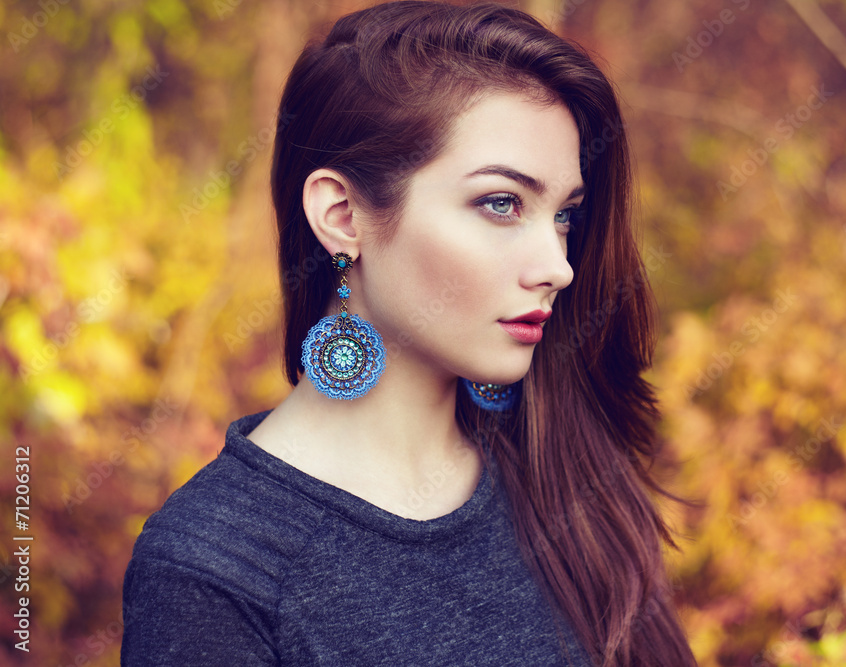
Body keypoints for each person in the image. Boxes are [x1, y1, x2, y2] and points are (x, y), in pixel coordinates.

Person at [121, 2, 698, 665]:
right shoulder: (216, 569)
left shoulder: (563, 475)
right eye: (502, 203)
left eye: (565, 213)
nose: (559, 267)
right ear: (342, 216)